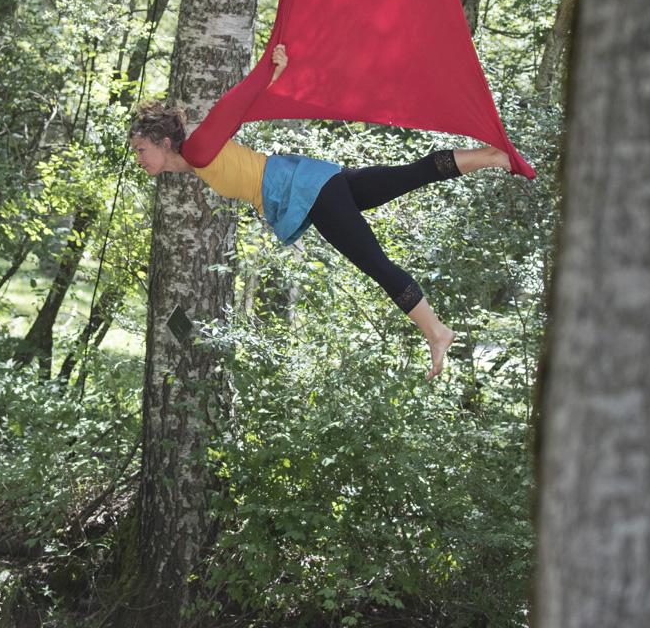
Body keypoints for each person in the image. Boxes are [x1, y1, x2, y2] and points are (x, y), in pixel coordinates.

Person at [130, 45, 513, 380]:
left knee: (375, 263)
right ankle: (493, 157)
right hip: (310, 182)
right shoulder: (196, 159)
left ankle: (436, 332)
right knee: (407, 176)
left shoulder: (197, 149)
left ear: (165, 143)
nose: (139, 159)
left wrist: (269, 68)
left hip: (307, 192)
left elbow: (230, 109)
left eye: (142, 150)